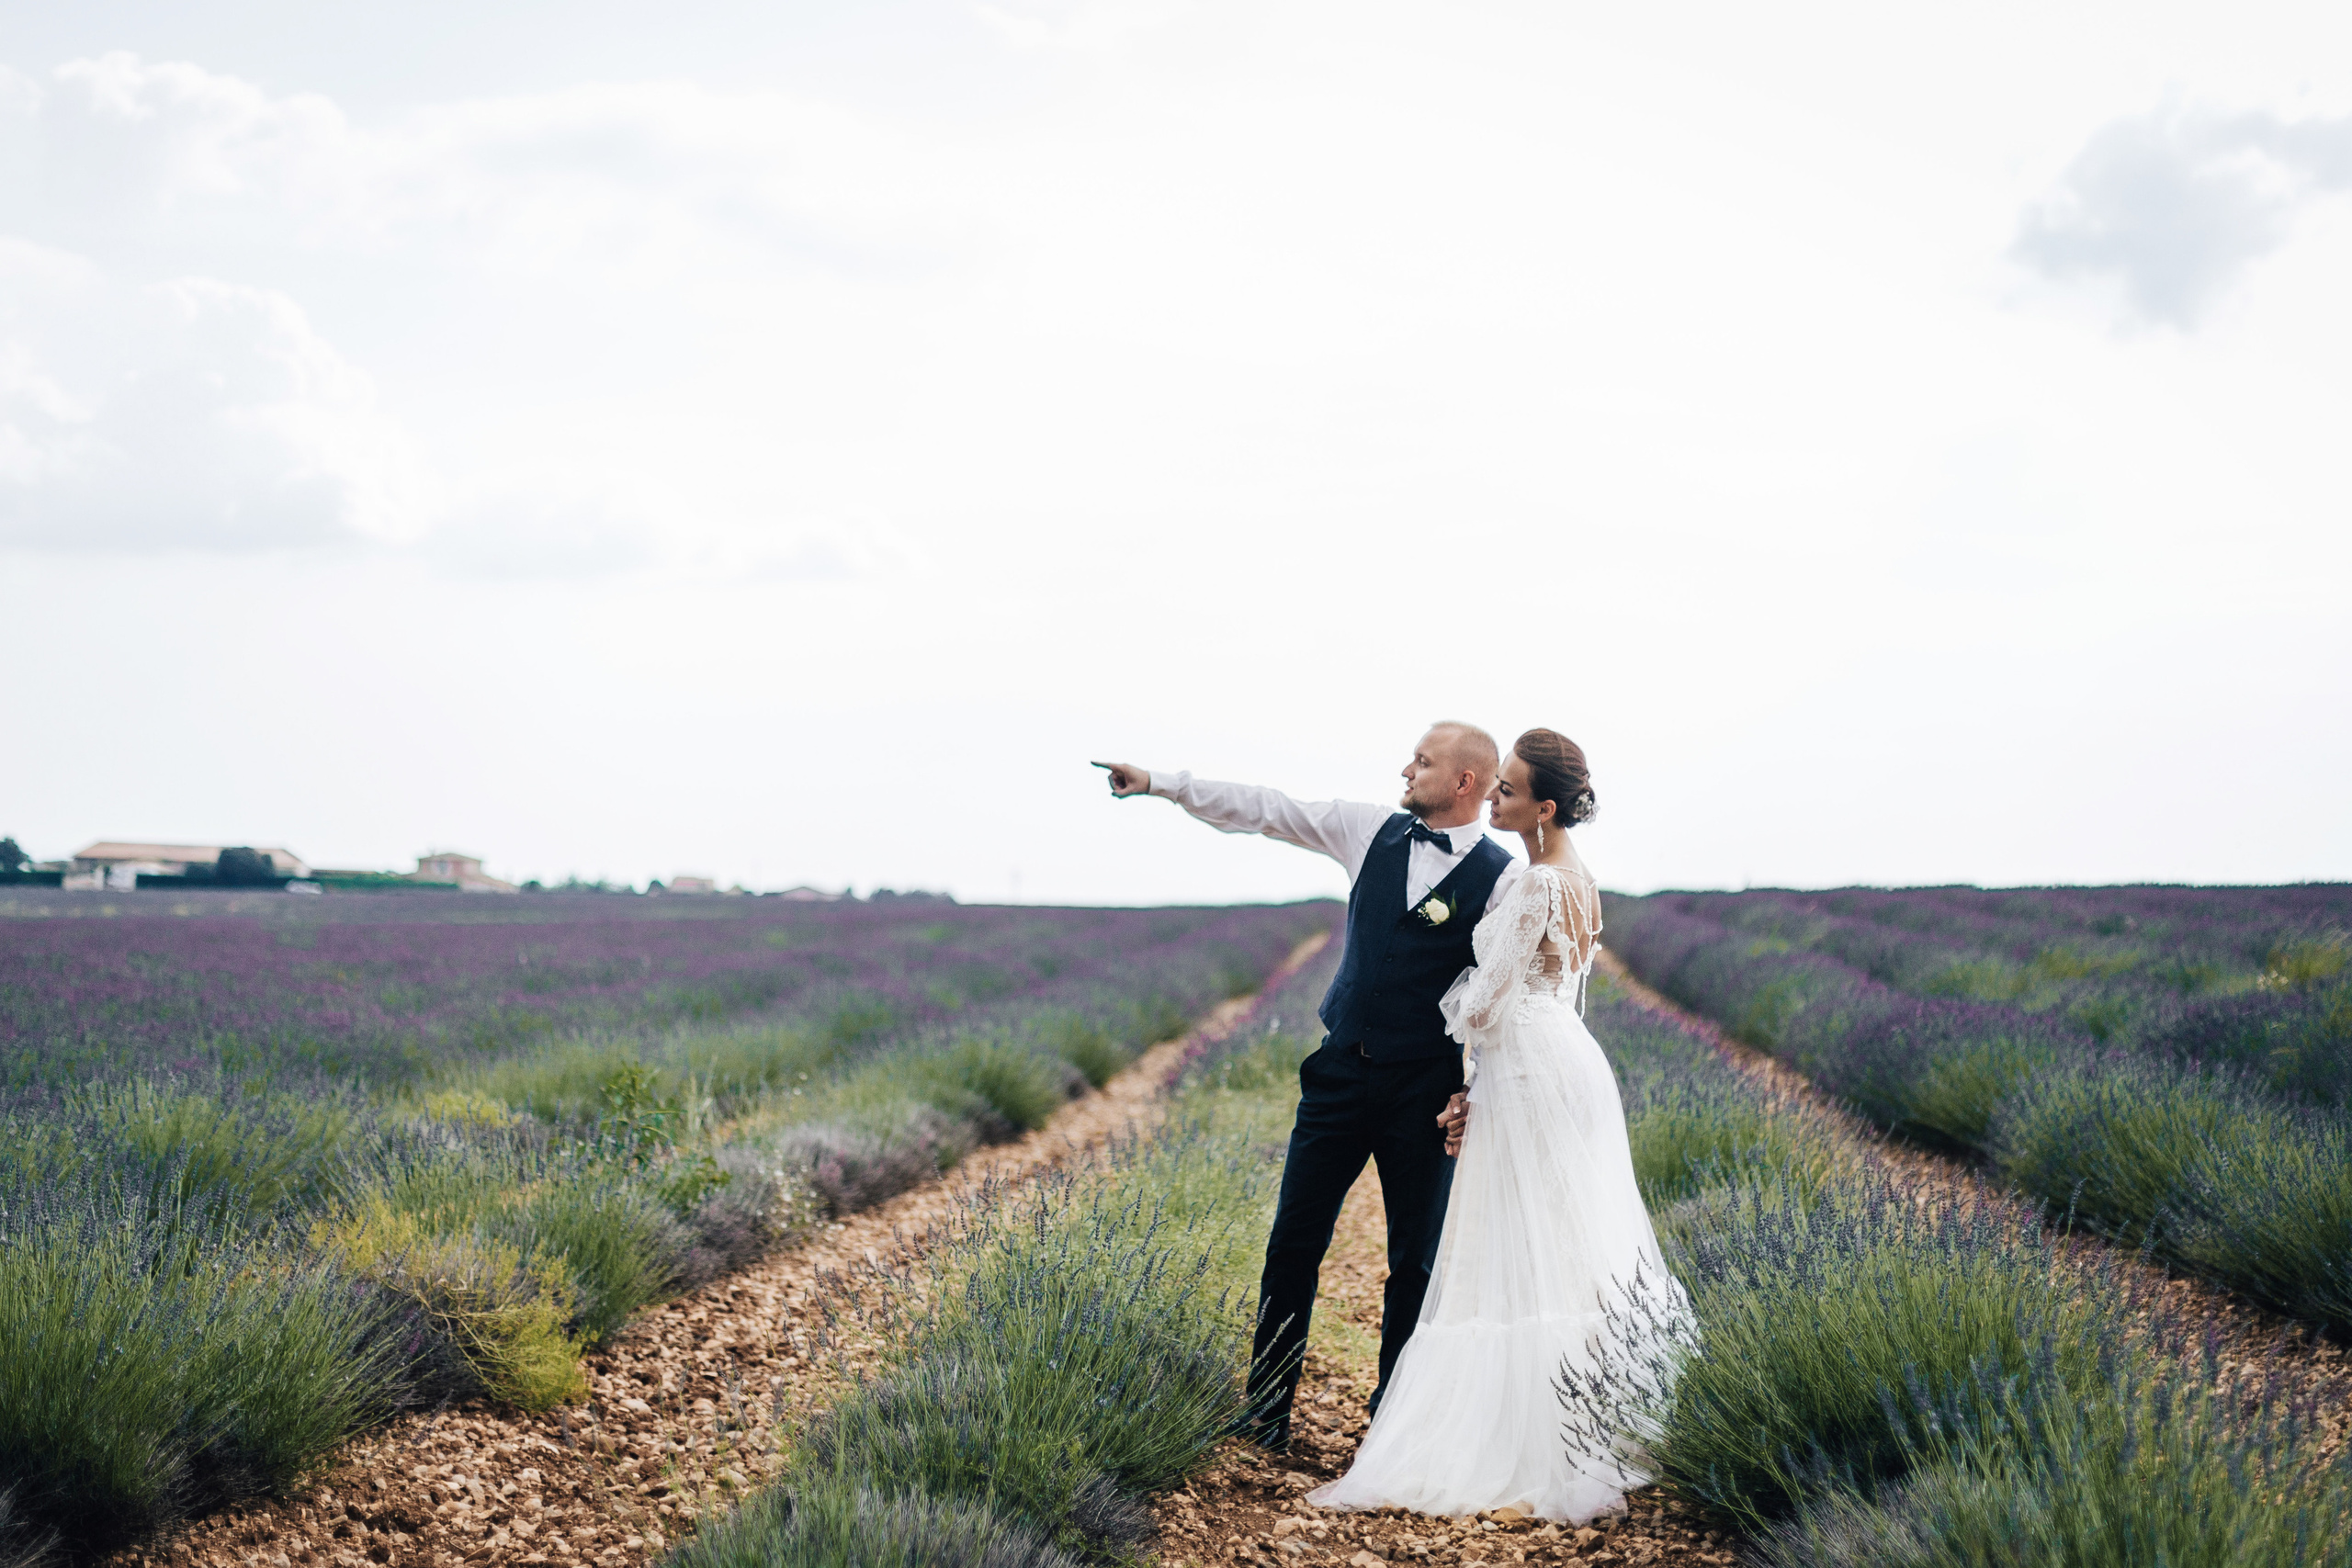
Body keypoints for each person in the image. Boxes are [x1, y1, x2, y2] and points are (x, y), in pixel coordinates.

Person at [1093, 724, 1521, 1450]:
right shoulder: (1369, 830)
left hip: (1424, 1090)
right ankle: (1266, 1412)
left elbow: (1501, 994)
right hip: (1338, 1075)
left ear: (1464, 784)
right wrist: (1163, 782)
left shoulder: (1505, 878)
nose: (1406, 768)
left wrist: (1472, 1090)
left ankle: (1395, 1423)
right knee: (1292, 1244)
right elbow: (1267, 808)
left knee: (1413, 1263)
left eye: (1423, 761)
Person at [1307, 728, 1689, 1522]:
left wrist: (1462, 1067)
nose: (1497, 800)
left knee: (1511, 1244)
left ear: (1544, 808)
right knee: (1562, 1241)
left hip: (1528, 1068)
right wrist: (1480, 1085)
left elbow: (1487, 1000)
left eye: (1509, 792)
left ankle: (1525, 1441)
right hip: (1566, 1062)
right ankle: (1587, 1423)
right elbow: (1559, 996)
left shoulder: (1532, 884)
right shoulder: (1578, 877)